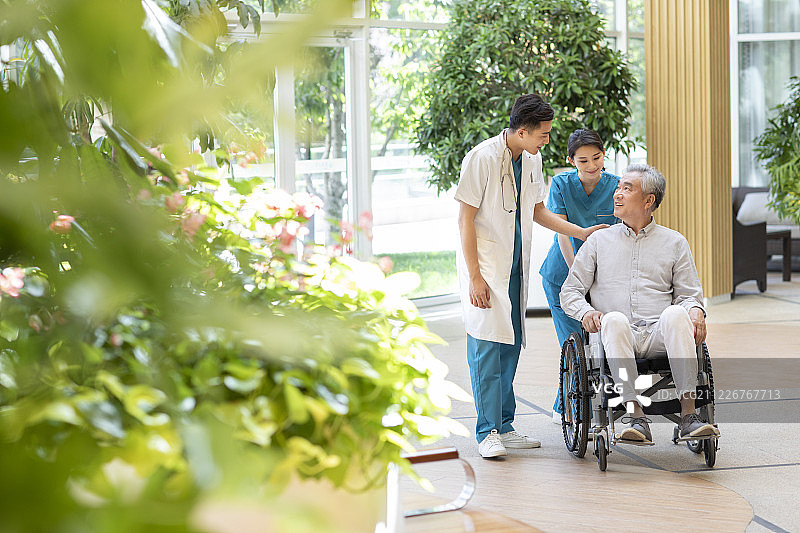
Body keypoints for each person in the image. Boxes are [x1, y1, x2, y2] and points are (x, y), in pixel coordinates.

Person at [455, 94, 607, 458]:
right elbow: (464, 220)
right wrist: (475, 277)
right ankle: (486, 431)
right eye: (543, 134)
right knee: (486, 347)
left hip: (515, 267)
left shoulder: (532, 159)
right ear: (522, 131)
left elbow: (538, 211)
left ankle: (505, 426)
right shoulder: (482, 158)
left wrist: (581, 232)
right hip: (488, 267)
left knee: (510, 345)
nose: (547, 141)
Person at [560, 163, 720, 443]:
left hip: (659, 333)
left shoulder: (674, 242)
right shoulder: (598, 241)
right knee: (614, 318)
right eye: (618, 187)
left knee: (676, 314)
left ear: (649, 201)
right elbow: (570, 291)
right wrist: (585, 312)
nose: (616, 194)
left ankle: (689, 416)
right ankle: (636, 416)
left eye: (627, 188)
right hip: (616, 334)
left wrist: (695, 311)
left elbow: (690, 294)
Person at [538, 129, 619, 422]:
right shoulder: (560, 184)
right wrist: (576, 276)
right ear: (571, 160)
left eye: (596, 158)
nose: (591, 166)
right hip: (562, 276)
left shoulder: (617, 186)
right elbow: (561, 231)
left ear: (604, 153)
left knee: (600, 342)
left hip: (603, 280)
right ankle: (570, 406)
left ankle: (599, 401)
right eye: (583, 160)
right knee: (573, 343)